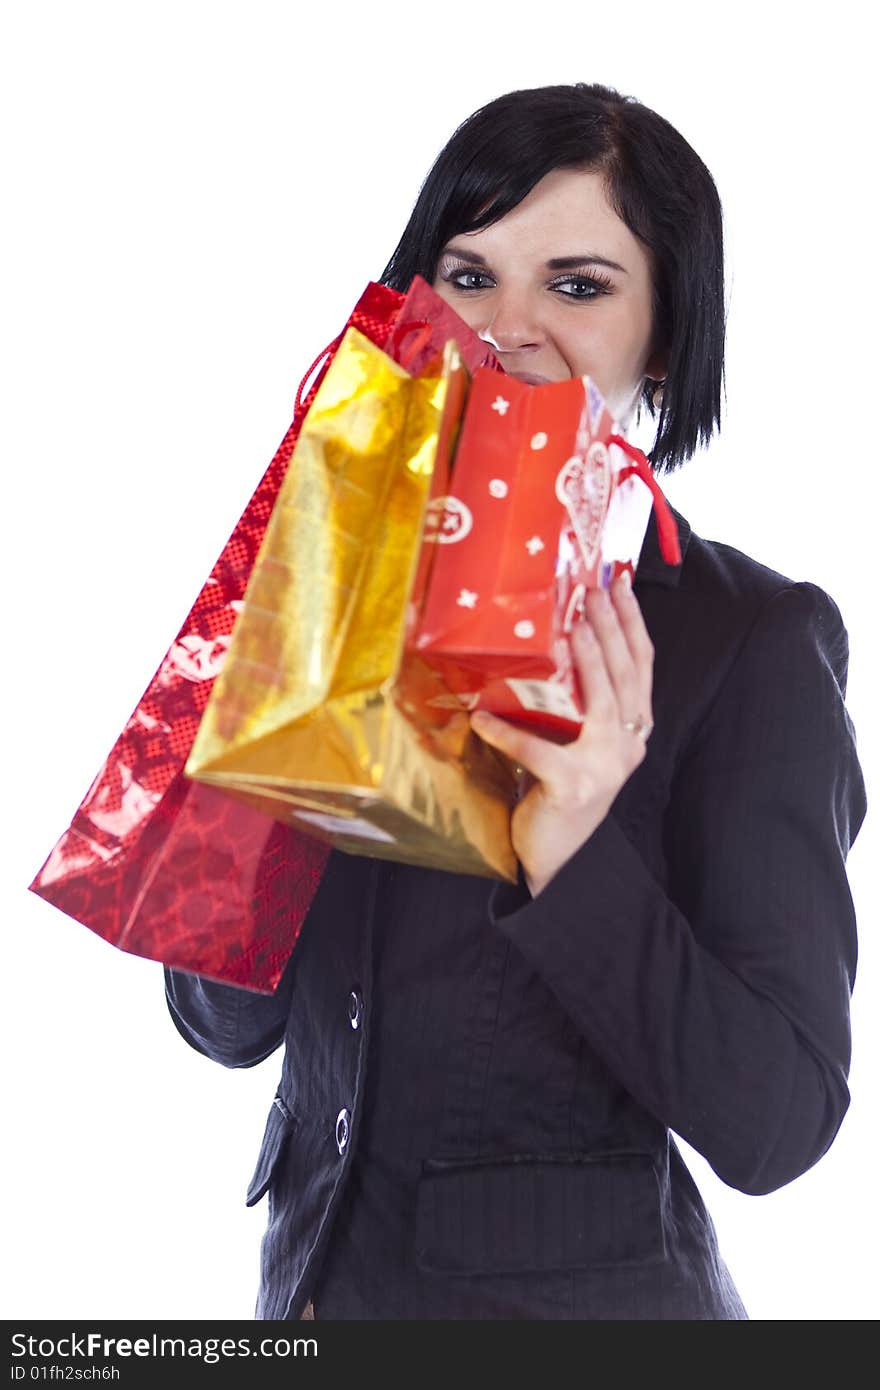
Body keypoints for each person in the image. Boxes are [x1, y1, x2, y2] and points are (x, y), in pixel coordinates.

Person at [163, 83, 867, 1320]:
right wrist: (276, 730)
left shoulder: (744, 639)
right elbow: (222, 1029)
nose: (509, 326)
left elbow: (776, 1123)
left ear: (663, 334)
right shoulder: (337, 585)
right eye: (468, 273)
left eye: (579, 284)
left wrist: (574, 848)